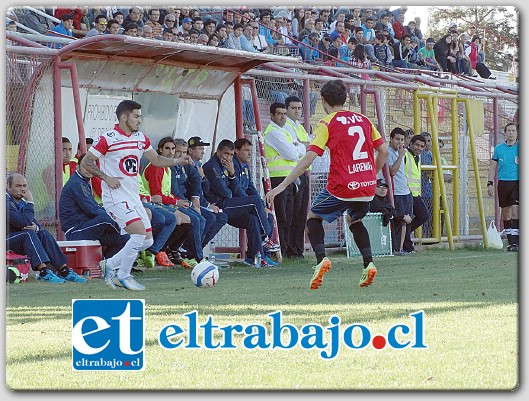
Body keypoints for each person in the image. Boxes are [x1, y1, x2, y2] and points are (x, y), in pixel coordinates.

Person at [266, 79, 389, 289]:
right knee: (354, 219)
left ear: (323, 101)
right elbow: (384, 151)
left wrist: (282, 185)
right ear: (346, 98)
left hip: (342, 185)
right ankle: (368, 264)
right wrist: (370, 175)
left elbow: (308, 158)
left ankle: (321, 260)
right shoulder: (364, 120)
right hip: (366, 185)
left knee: (313, 217)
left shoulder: (327, 123)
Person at [80, 100, 192, 291]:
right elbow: (86, 162)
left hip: (133, 197)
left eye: (140, 116)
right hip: (115, 197)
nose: (140, 120)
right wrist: (106, 178)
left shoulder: (140, 138)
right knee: (139, 233)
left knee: (147, 240)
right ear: (124, 117)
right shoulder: (108, 138)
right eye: (136, 116)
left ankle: (111, 264)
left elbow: (155, 159)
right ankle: (124, 275)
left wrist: (176, 161)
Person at [203, 139, 278, 267]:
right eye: (226, 154)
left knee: (254, 219)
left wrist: (260, 206)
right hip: (219, 205)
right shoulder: (212, 166)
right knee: (254, 203)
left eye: (230, 155)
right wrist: (232, 174)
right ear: (218, 152)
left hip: (231, 203)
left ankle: (256, 257)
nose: (228, 157)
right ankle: (265, 238)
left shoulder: (239, 166)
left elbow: (250, 188)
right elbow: (227, 192)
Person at [7, 173, 87, 283]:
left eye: (24, 186)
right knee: (28, 234)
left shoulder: (21, 202)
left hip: (19, 238)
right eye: (18, 186)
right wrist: (30, 202)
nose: (22, 189)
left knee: (43, 233)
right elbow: (23, 222)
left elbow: (33, 223)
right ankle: (44, 272)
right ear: (8, 187)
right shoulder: (5, 202)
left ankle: (65, 271)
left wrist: (36, 228)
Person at [142, 137, 204, 266]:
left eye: (172, 149)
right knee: (179, 219)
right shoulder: (155, 167)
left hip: (165, 202)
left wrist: (178, 201)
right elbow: (157, 196)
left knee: (197, 219)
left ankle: (171, 249)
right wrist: (176, 202)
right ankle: (156, 251)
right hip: (156, 204)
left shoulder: (167, 168)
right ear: (159, 150)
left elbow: (167, 193)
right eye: (167, 149)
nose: (170, 152)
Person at [59, 153, 129, 258]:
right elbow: (92, 209)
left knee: (125, 238)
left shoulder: (84, 181)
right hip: (76, 230)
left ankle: (107, 264)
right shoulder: (76, 183)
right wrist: (118, 220)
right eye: (86, 166)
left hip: (87, 225)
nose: (89, 169)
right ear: (78, 167)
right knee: (107, 218)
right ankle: (121, 229)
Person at [263, 102, 305, 256]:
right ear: (272, 116)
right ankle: (279, 250)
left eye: (283, 113)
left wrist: (297, 147)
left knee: (289, 216)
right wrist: (297, 147)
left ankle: (285, 250)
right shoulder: (273, 132)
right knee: (281, 217)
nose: (282, 117)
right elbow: (293, 153)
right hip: (276, 179)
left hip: (287, 179)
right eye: (279, 114)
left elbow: (301, 148)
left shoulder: (284, 131)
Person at [172, 138, 228, 252]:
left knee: (221, 217)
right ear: (191, 150)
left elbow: (205, 189)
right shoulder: (182, 164)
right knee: (208, 217)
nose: (203, 151)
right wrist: (200, 203)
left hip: (195, 201)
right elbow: (184, 190)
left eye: (203, 149)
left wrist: (202, 177)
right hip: (182, 201)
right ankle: (188, 249)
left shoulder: (196, 166)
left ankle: (195, 248)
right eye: (200, 149)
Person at [233, 137, 278, 266]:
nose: (249, 153)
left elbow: (251, 188)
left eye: (250, 150)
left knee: (267, 215)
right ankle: (263, 243)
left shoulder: (245, 167)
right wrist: (253, 204)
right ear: (237, 150)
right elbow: (236, 190)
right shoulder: (233, 166)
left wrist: (262, 206)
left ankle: (262, 255)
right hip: (237, 206)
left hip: (249, 204)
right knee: (254, 219)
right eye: (246, 150)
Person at [284, 96, 310, 259]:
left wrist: (301, 144)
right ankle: (289, 249)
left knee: (301, 214)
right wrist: (303, 145)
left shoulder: (299, 127)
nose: (297, 111)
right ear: (286, 109)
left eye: (299, 108)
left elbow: (309, 145)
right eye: (293, 108)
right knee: (291, 214)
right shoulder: (284, 126)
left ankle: (297, 249)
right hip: (291, 173)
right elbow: (296, 149)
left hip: (303, 172)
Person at [487, 123, 519, 251]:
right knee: (506, 214)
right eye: (508, 131)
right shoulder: (499, 149)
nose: (511, 133)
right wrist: (490, 183)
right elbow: (493, 167)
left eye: (513, 130)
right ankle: (511, 243)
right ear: (505, 133)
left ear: (517, 133)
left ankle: (517, 242)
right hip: (503, 184)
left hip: (517, 182)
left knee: (516, 211)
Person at [369, 178, 411, 254]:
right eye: (379, 187)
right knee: (395, 220)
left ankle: (396, 249)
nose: (383, 189)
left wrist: (402, 217)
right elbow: (383, 211)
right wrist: (402, 217)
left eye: (385, 188)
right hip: (374, 226)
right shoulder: (373, 199)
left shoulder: (385, 198)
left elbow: (391, 210)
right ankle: (393, 249)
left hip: (383, 224)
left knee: (399, 221)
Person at [387, 127, 413, 254]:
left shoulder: (401, 152)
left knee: (406, 221)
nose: (400, 142)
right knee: (399, 220)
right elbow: (392, 171)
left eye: (402, 139)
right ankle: (396, 248)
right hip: (395, 192)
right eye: (397, 139)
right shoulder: (388, 153)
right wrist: (401, 156)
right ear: (391, 139)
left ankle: (404, 247)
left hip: (405, 191)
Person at [403, 134, 430, 253]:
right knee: (407, 220)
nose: (419, 148)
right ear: (411, 144)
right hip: (405, 192)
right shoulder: (404, 154)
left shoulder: (417, 158)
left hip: (415, 193)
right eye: (417, 145)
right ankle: (407, 246)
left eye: (422, 146)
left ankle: (405, 235)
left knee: (424, 215)